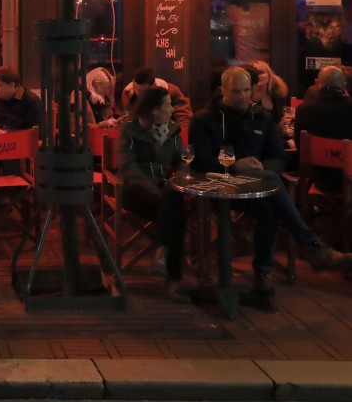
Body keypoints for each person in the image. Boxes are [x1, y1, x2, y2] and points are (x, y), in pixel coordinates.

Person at [190, 66, 352, 300]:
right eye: (236, 91)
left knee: (268, 201)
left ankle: (263, 274)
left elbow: (279, 157)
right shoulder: (205, 119)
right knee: (270, 191)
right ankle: (312, 248)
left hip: (257, 185)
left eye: (247, 90)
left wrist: (263, 169)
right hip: (217, 184)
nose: (243, 96)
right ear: (222, 89)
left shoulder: (261, 118)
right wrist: (235, 166)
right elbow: (200, 160)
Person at [114, 86, 188, 302]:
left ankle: (163, 256)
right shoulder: (129, 130)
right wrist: (154, 189)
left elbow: (182, 160)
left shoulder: (173, 131)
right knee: (177, 211)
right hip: (136, 192)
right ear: (154, 110)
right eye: (168, 105)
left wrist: (181, 174)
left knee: (174, 204)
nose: (173, 109)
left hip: (165, 192)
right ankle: (174, 281)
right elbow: (128, 168)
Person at [294, 65, 352, 195]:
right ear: (344, 86)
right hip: (349, 181)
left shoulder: (304, 110)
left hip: (321, 181)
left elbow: (300, 147)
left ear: (316, 83)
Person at [0, 65, 42, 134]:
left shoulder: (31, 101)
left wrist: (6, 133)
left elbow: (37, 132)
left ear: (11, 85)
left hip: (17, 143)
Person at [120, 67, 192, 129]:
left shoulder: (172, 92)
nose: (138, 93)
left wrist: (178, 138)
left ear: (153, 86)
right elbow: (127, 119)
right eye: (135, 88)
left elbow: (184, 118)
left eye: (142, 91)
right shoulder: (128, 94)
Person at [245, 60, 289, 124]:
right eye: (255, 73)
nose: (258, 76)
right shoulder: (248, 99)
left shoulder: (276, 95)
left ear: (269, 75)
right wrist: (278, 128)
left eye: (261, 72)